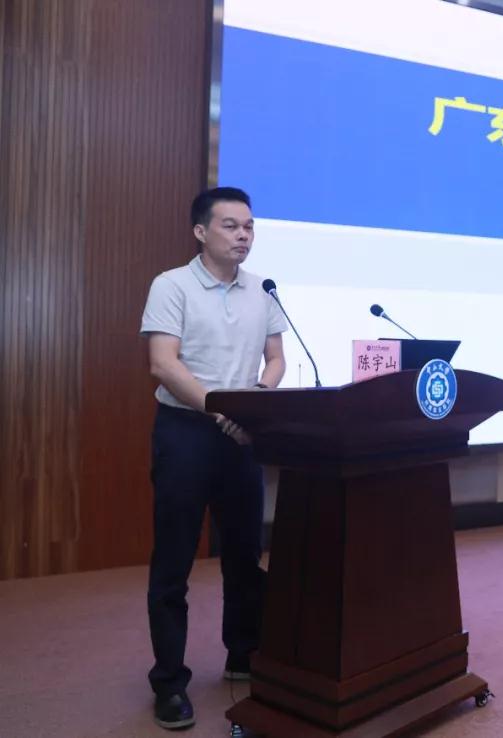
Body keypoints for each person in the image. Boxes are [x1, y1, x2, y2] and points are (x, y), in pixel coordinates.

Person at [139, 187, 287, 730]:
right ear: (201, 232)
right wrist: (220, 408)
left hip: (240, 435)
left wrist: (256, 402)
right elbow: (163, 363)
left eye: (249, 226)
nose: (243, 235)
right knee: (174, 560)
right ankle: (169, 682)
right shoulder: (172, 285)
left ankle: (243, 655)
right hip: (185, 432)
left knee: (244, 555)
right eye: (231, 226)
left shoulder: (262, 289)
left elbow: (276, 359)